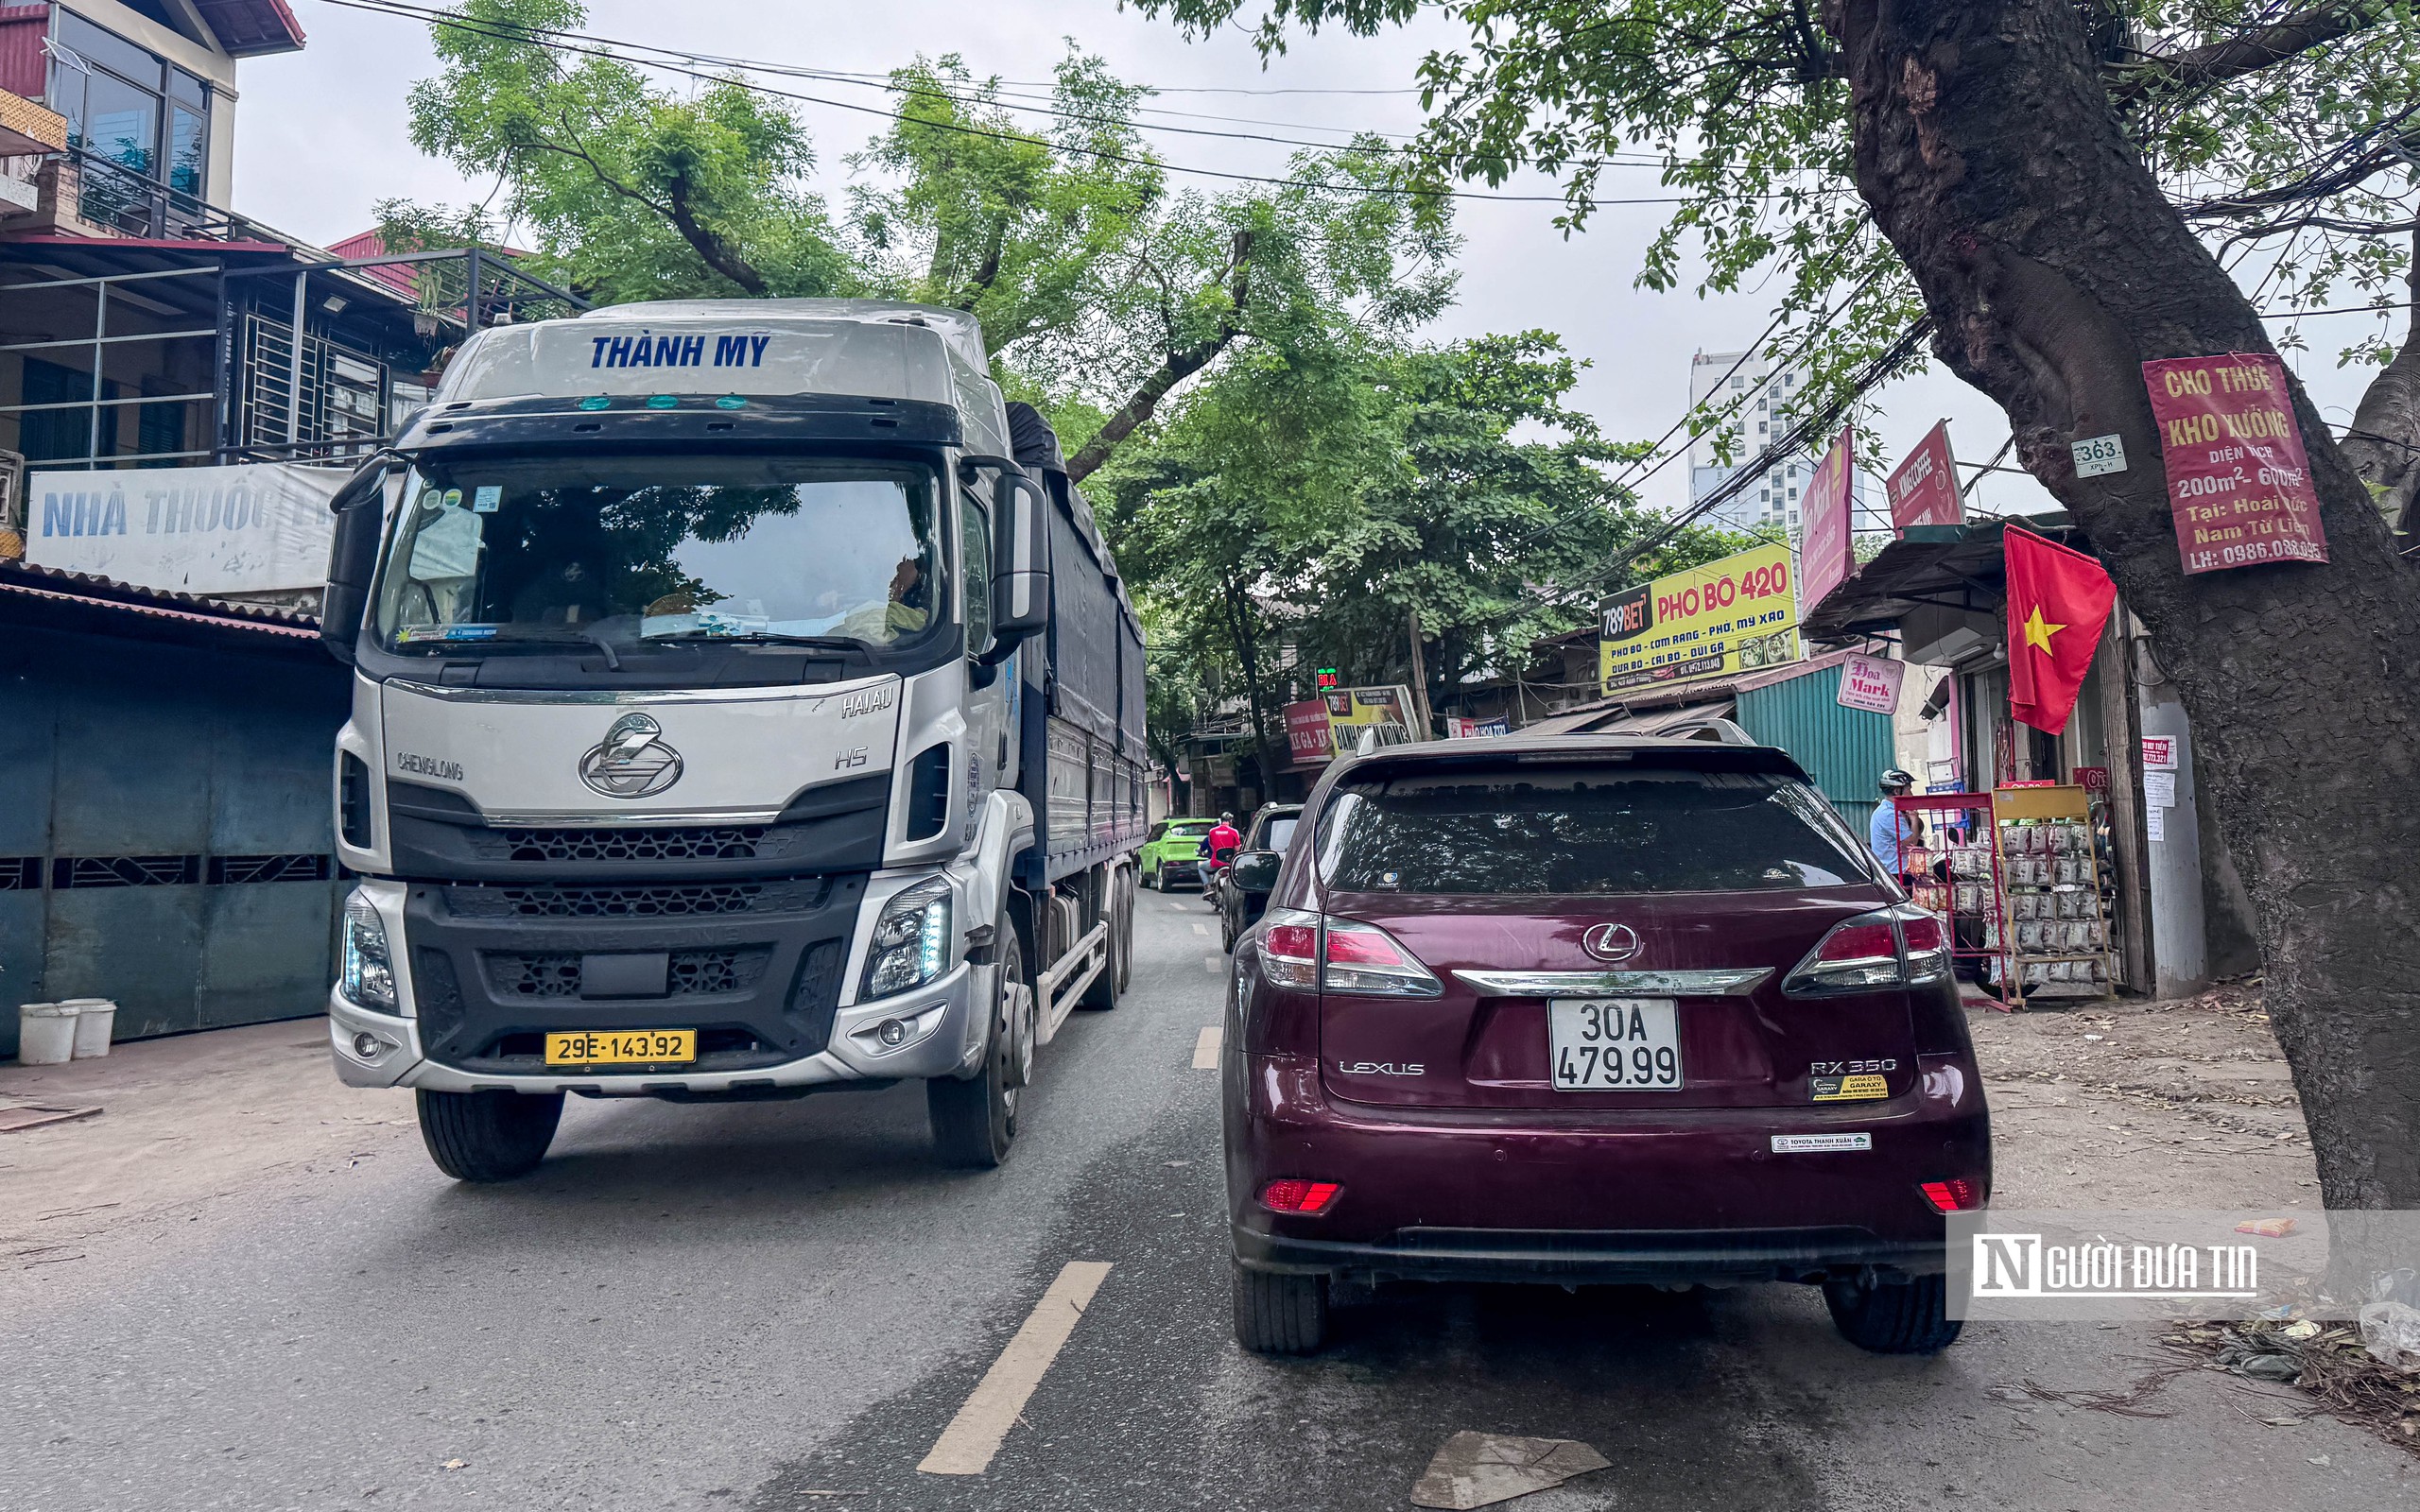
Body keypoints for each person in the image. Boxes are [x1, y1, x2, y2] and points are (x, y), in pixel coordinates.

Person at [1870, 769, 1915, 878]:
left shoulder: (1891, 811)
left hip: (1897, 870)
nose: (1912, 795)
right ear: (1896, 791)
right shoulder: (1888, 814)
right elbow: (1910, 842)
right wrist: (1914, 819)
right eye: (1909, 790)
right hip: (1896, 872)